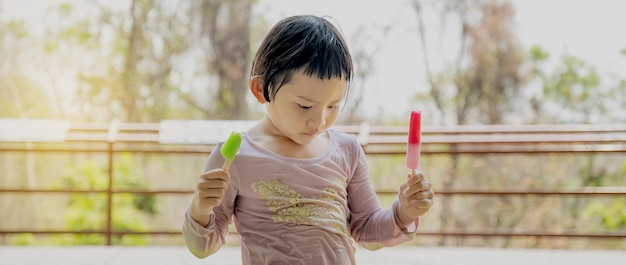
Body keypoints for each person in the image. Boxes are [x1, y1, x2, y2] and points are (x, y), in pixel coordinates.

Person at [182, 14, 434, 265]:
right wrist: (200, 210)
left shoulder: (347, 151)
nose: (319, 121)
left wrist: (403, 213)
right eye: (304, 106)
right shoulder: (235, 158)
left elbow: (367, 229)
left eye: (333, 106)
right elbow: (202, 248)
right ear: (261, 90)